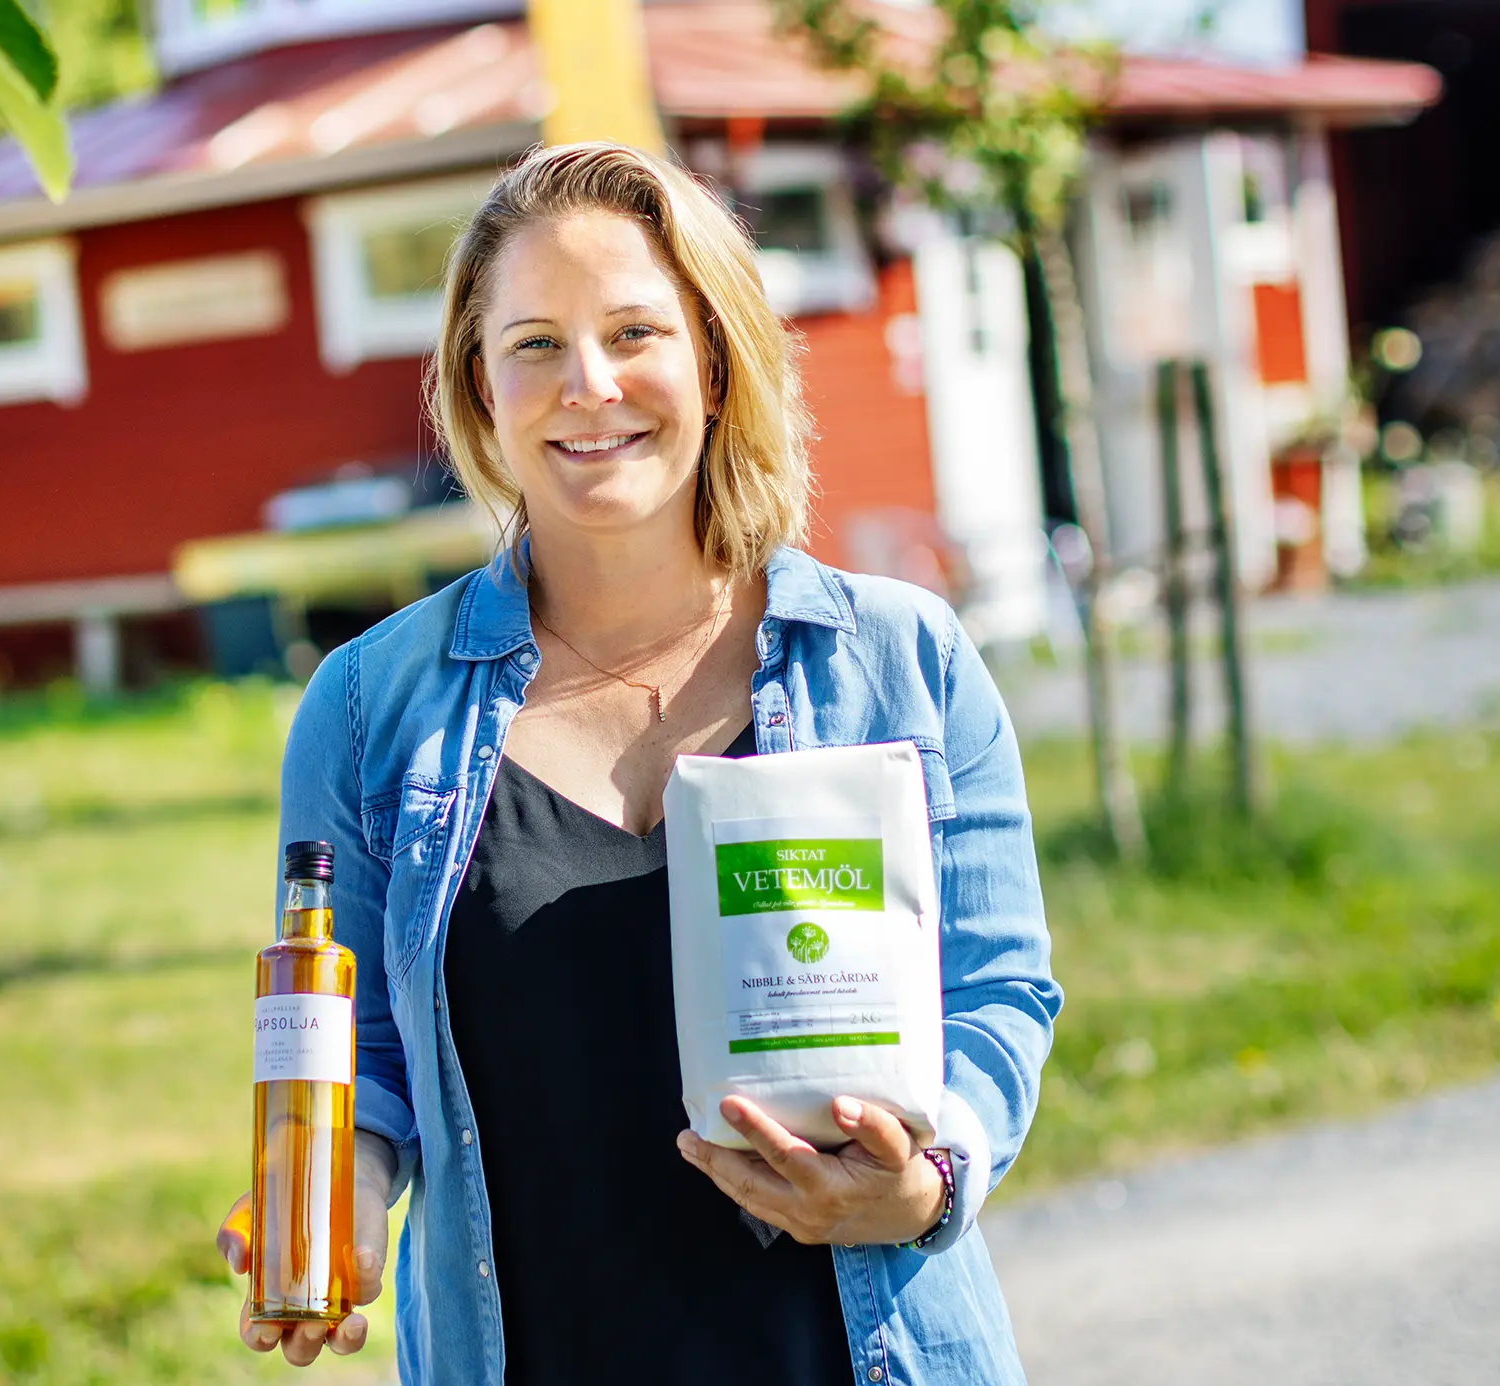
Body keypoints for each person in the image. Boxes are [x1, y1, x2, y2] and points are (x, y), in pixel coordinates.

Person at [217, 141, 1060, 1386]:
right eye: (535, 344)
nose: (589, 385)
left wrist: (926, 1182)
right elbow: (361, 1064)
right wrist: (342, 1195)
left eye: (632, 332)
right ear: (480, 386)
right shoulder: (364, 707)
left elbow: (996, 995)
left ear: (713, 361)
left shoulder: (899, 660)